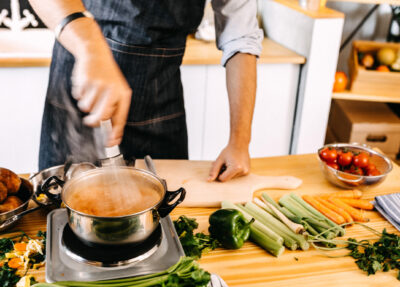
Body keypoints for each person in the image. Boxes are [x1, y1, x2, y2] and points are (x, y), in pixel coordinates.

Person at [29, 0, 263, 182]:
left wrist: (239, 142)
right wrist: (90, 49)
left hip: (159, 101)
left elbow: (240, 38)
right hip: (80, 93)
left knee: (162, 212)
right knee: (57, 208)